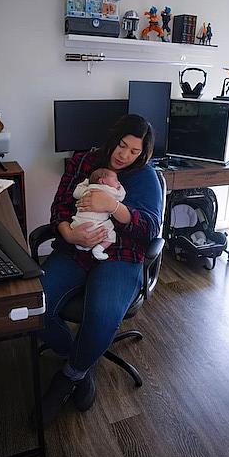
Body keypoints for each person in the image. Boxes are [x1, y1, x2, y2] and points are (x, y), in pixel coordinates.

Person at [39, 114, 163, 425]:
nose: (125, 155)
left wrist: (115, 207)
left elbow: (150, 230)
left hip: (120, 256)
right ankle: (82, 361)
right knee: (34, 307)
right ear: (113, 138)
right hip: (75, 250)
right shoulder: (82, 161)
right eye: (122, 146)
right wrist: (68, 232)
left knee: (103, 314)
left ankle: (69, 375)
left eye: (135, 152)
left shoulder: (145, 177)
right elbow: (59, 209)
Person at [70, 168, 126, 261]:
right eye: (116, 180)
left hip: (78, 224)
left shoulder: (87, 189)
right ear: (102, 181)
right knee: (111, 234)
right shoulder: (109, 190)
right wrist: (120, 187)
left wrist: (86, 181)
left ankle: (80, 246)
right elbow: (121, 196)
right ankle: (98, 250)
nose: (118, 182)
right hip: (95, 225)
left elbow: (75, 193)